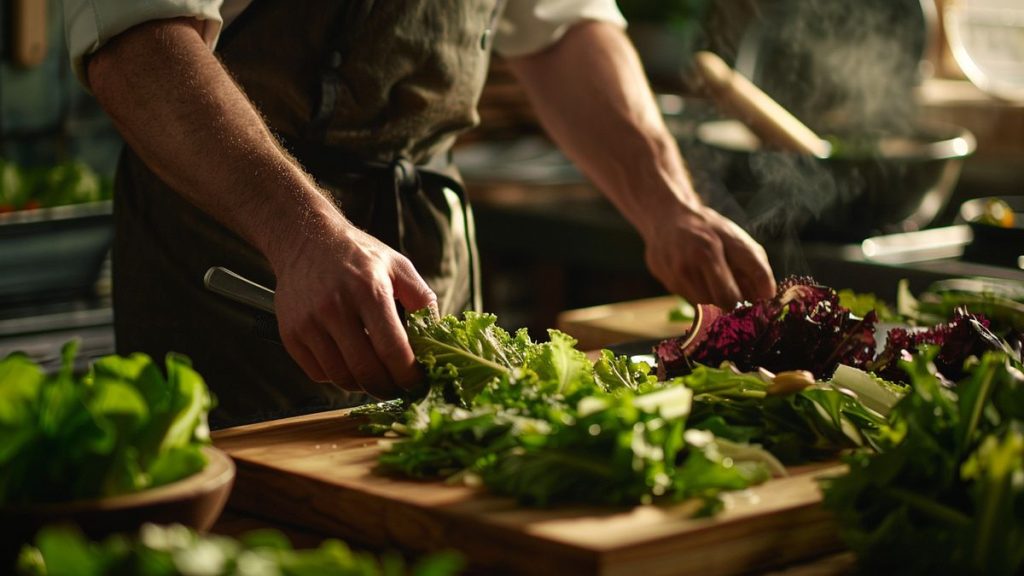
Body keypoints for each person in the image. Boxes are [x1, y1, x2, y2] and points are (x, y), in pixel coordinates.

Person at [65, 0, 776, 427]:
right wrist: (303, 235)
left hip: (425, 256)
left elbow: (562, 29)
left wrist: (669, 207)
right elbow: (137, 45)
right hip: (236, 262)